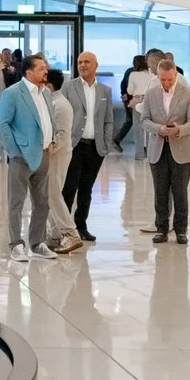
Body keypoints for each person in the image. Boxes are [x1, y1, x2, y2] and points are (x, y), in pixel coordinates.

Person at [0, 53, 58, 262]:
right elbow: (2, 124)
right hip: (21, 156)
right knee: (16, 201)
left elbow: (49, 118)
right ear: (29, 72)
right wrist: (14, 151)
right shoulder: (13, 94)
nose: (46, 71)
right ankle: (16, 244)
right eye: (41, 68)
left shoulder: (46, 93)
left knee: (42, 202)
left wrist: (53, 138)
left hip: (44, 154)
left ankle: (37, 243)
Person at [131, 56, 190, 241]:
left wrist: (179, 130)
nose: (167, 83)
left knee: (180, 192)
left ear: (175, 74)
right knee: (160, 191)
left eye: (170, 79)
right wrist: (159, 129)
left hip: (181, 150)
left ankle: (181, 230)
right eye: (163, 79)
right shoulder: (152, 94)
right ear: (158, 76)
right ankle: (161, 228)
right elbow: (144, 119)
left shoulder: (188, 94)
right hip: (158, 149)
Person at [62, 51, 118, 241]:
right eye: (79, 62)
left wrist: (106, 143)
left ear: (95, 65)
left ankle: (81, 225)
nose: (83, 65)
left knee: (87, 189)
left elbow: (108, 120)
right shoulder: (69, 87)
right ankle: (63, 228)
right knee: (69, 188)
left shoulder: (104, 91)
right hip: (74, 146)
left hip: (95, 148)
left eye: (87, 62)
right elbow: (60, 116)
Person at [43, 69, 81, 254]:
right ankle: (55, 235)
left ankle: (70, 233)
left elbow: (62, 136)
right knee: (49, 195)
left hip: (57, 156)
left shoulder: (60, 105)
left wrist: (47, 148)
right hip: (54, 156)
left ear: (49, 84)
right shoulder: (52, 102)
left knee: (53, 195)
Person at [122, 54, 154, 159]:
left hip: (137, 101)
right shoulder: (152, 74)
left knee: (138, 128)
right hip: (150, 100)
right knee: (150, 128)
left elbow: (129, 91)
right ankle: (151, 153)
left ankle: (139, 154)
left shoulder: (133, 74)